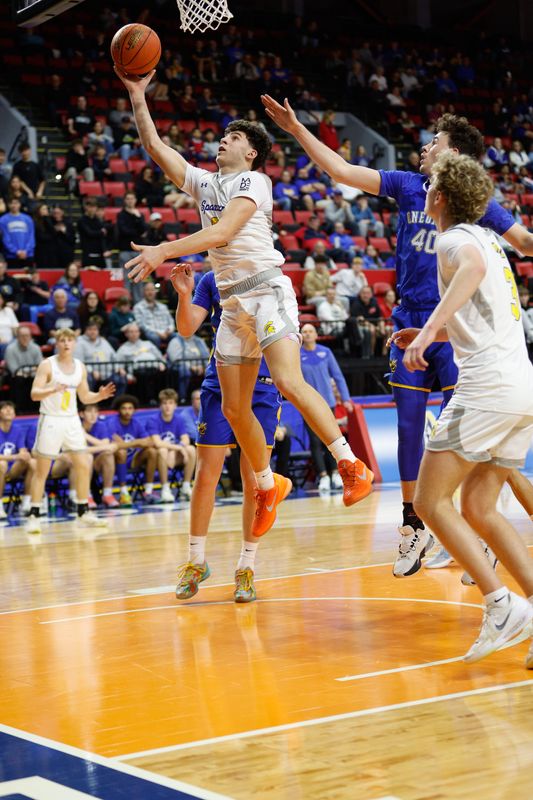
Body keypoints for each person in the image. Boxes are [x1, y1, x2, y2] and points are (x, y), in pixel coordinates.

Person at [262, 97, 533, 573]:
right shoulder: (410, 186)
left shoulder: (474, 204)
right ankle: (414, 528)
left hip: (455, 334)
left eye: (435, 142)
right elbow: (343, 171)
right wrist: (297, 130)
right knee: (410, 427)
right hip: (409, 321)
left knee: (476, 444)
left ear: (455, 157)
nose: (425, 147)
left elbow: (526, 243)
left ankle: (476, 527)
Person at [116, 67, 373, 540]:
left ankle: (349, 463)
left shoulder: (255, 182)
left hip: (265, 290)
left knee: (289, 381)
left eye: (233, 137)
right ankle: (265, 483)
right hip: (233, 306)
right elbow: (155, 148)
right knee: (235, 411)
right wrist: (137, 92)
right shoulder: (204, 184)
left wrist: (162, 250)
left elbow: (222, 232)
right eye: (224, 135)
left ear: (251, 152)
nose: (223, 140)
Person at [391, 151, 533, 664]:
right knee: (478, 506)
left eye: (429, 185)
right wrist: (439, 330)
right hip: (521, 387)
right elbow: (485, 310)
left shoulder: (454, 241)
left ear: (440, 197)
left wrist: (428, 335)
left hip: (487, 390)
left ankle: (501, 606)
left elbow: (467, 272)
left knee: (429, 503)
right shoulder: (491, 241)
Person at [170, 265, 284, 602]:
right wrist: (183, 295)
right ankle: (196, 561)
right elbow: (187, 326)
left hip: (262, 389)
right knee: (206, 474)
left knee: (254, 481)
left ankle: (246, 566)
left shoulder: (270, 276)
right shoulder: (211, 279)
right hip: (219, 383)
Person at [25, 328, 115, 534]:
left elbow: (84, 397)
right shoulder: (47, 365)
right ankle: (33, 515)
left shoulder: (80, 367)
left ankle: (83, 511)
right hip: (51, 420)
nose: (66, 344)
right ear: (57, 343)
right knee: (42, 470)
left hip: (72, 420)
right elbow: (34, 394)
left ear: (74, 343)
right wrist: (52, 389)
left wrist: (99, 396)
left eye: (70, 340)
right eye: (62, 340)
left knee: (83, 464)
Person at [300, 323, 354, 493]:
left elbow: (338, 376)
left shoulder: (326, 352)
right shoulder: (296, 355)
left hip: (327, 404)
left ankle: (336, 474)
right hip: (307, 404)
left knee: (331, 440)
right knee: (315, 442)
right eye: (304, 332)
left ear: (316, 335)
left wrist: (345, 399)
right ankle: (323, 476)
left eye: (310, 331)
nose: (307, 334)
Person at [106, 394, 158, 505]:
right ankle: (123, 492)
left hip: (133, 459)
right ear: (118, 410)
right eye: (124, 408)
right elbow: (114, 446)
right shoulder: (112, 423)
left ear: (134, 410)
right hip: (115, 461)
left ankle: (148, 490)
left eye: (130, 408)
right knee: (121, 452)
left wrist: (125, 444)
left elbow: (149, 442)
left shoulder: (136, 423)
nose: (127, 411)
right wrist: (137, 442)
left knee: (152, 452)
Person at [146, 388, 196, 502]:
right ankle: (165, 489)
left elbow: (186, 439)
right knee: (162, 450)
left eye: (170, 403)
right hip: (158, 457)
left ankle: (186, 486)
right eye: (164, 403)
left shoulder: (179, 419)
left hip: (173, 455)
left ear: (175, 405)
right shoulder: (153, 420)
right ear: (160, 405)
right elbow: (157, 443)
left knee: (191, 449)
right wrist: (178, 447)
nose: (167, 406)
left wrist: (178, 448)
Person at [0, 400, 35, 517]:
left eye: (11, 408)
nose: (9, 410)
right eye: (5, 408)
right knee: (2, 464)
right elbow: (15, 456)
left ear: (15, 414)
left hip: (12, 470)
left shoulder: (18, 430)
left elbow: (22, 450)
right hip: (2, 467)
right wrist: (15, 456)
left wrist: (24, 454)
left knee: (31, 462)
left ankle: (26, 504)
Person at [79, 403, 119, 508]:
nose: (93, 415)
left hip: (96, 463)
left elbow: (105, 445)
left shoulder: (101, 425)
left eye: (95, 412)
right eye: (89, 411)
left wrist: (85, 436)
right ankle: (86, 496)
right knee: (87, 457)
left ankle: (107, 494)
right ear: (82, 414)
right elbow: (81, 451)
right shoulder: (75, 427)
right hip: (77, 464)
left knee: (108, 455)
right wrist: (104, 446)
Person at [166, 331, 210, 400]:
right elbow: (175, 359)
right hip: (181, 367)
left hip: (200, 366)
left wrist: (203, 366)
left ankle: (208, 396)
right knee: (184, 370)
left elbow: (207, 356)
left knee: (210, 370)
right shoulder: (175, 341)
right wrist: (191, 367)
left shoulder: (199, 340)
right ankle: (182, 398)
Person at [133, 282, 176, 348]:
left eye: (152, 290)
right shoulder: (138, 307)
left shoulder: (163, 307)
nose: (150, 292)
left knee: (177, 336)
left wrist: (169, 330)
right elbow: (141, 325)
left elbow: (171, 321)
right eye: (148, 290)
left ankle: (173, 357)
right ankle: (157, 357)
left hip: (166, 333)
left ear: (155, 292)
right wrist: (158, 333)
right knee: (154, 337)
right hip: (151, 333)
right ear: (143, 292)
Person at [0, 197, 35, 269]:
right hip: (11, 256)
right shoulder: (3, 220)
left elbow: (31, 237)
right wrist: (16, 251)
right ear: (8, 205)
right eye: (11, 203)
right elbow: (5, 238)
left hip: (27, 254)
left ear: (19, 204)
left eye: (16, 203)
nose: (14, 205)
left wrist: (26, 250)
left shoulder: (28, 219)